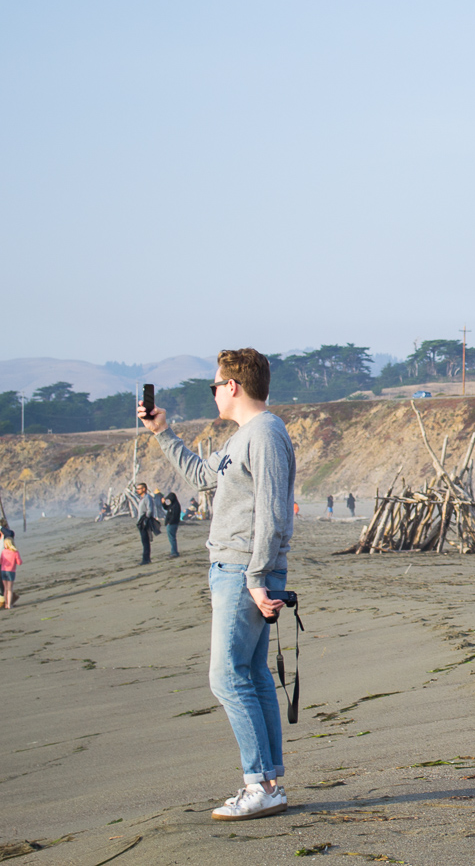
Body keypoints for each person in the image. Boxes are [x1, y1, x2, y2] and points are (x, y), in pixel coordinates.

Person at [139, 347, 296, 822]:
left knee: (227, 676)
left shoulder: (266, 434)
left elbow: (271, 514)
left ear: (233, 386)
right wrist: (162, 432)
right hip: (236, 569)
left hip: (245, 570)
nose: (213, 393)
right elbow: (203, 476)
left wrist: (255, 579)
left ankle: (259, 784)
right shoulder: (242, 437)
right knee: (252, 674)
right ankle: (268, 782)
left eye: (214, 385)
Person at [131, 482, 160, 565]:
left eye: (139, 489)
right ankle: (146, 558)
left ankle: (146, 559)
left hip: (144, 522)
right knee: (144, 541)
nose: (137, 490)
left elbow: (150, 510)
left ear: (144, 489)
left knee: (145, 541)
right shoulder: (143, 498)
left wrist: (146, 519)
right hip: (141, 522)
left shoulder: (147, 498)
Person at [1, 530, 20, 609]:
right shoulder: (15, 552)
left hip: (3, 570)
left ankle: (6, 604)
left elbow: (1, 561)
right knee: (9, 589)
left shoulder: (3, 552)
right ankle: (9, 604)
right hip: (10, 571)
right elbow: (19, 562)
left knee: (5, 588)